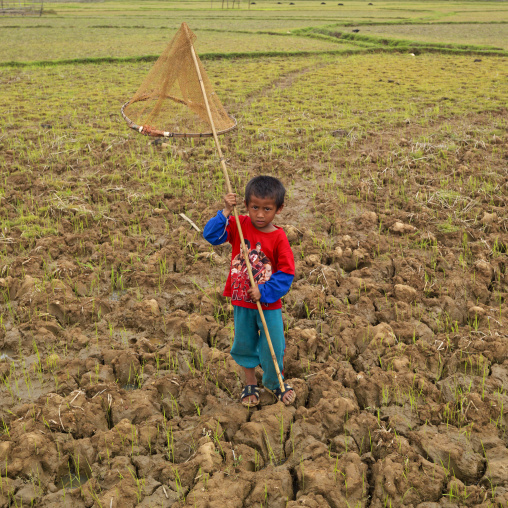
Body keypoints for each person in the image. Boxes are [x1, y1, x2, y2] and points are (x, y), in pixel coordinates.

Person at [203, 175, 296, 407]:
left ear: (279, 209)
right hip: (242, 302)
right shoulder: (238, 225)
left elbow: (286, 273)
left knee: (273, 344)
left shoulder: (278, 237)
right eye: (254, 207)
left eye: (267, 209)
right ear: (246, 204)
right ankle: (250, 381)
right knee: (244, 343)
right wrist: (225, 211)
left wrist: (264, 292)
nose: (260, 214)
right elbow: (211, 235)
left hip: (268, 304)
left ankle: (275, 382)